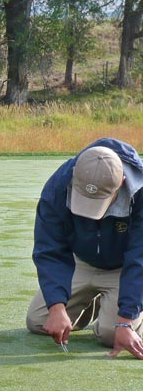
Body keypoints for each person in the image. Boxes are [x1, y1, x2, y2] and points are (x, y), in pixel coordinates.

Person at [26, 139, 143, 360]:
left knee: (111, 333)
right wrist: (57, 307)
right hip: (81, 263)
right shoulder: (58, 185)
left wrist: (126, 320)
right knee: (40, 321)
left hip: (125, 268)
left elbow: (140, 257)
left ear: (122, 183)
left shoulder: (141, 192)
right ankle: (98, 304)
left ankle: (126, 311)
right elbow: (49, 249)